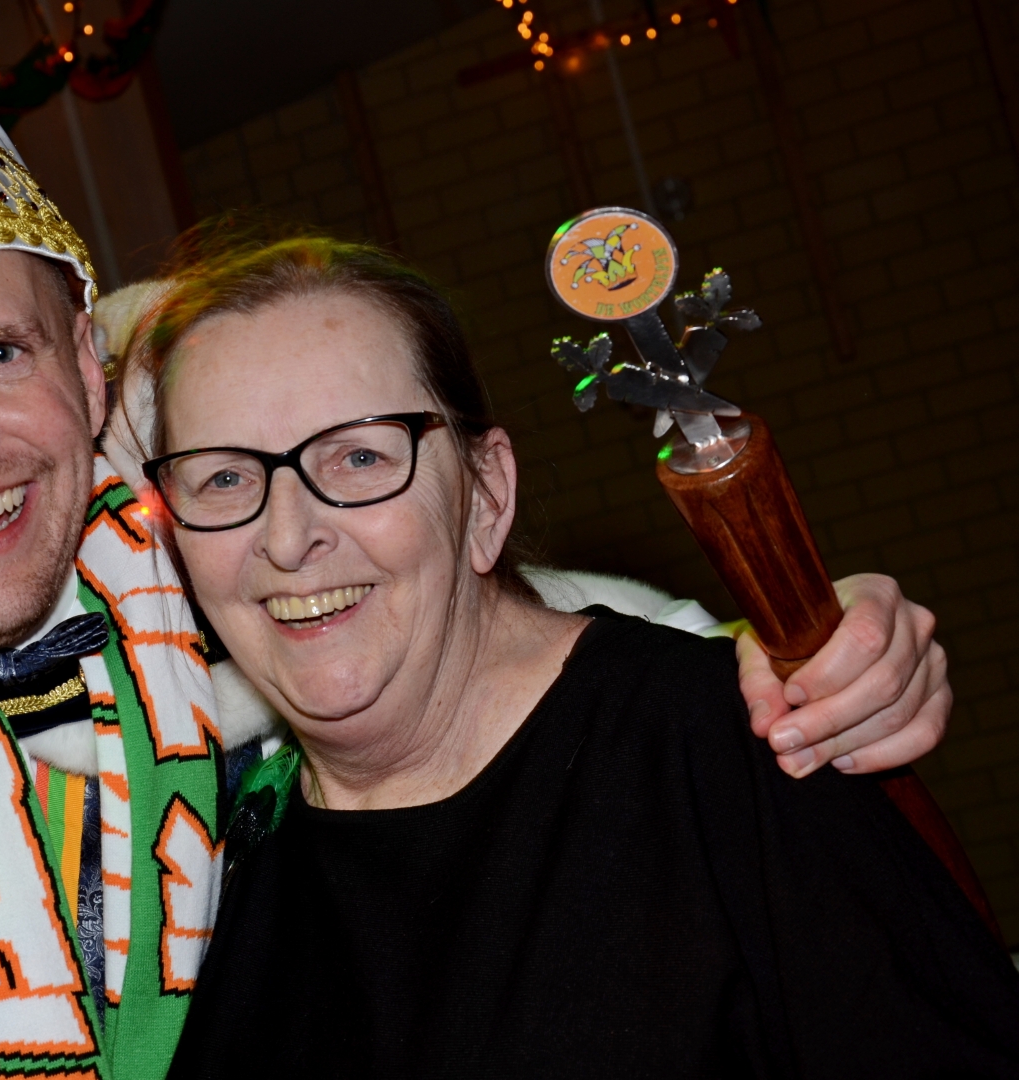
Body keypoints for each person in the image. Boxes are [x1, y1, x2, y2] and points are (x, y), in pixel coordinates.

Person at [0, 5, 956, 1078]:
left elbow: (511, 653)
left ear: (90, 374)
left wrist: (822, 654)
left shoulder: (257, 639)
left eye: (0, 353)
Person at [112, 235, 1019, 1078]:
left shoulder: (724, 747)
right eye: (223, 476)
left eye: (359, 458)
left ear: (486, 495)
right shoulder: (198, 874)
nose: (288, 536)